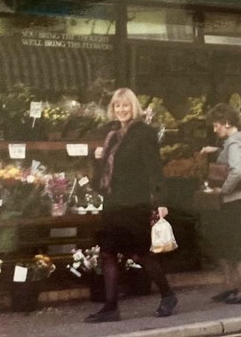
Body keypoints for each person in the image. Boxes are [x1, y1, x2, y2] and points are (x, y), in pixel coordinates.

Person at [85, 88, 178, 323]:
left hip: (134, 202)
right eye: (117, 106)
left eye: (125, 105)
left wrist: (161, 201)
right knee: (108, 253)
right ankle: (110, 307)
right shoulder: (112, 133)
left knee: (140, 253)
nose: (121, 110)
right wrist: (98, 156)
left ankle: (168, 295)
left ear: (134, 107)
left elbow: (154, 168)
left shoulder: (144, 133)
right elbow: (107, 168)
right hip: (112, 201)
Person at [200, 103, 241, 304]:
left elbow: (237, 171)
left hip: (235, 200)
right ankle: (232, 286)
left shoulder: (234, 142)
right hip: (238, 200)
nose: (215, 130)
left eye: (217, 125)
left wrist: (222, 191)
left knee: (236, 247)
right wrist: (216, 149)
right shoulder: (237, 139)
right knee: (226, 246)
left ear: (227, 123)